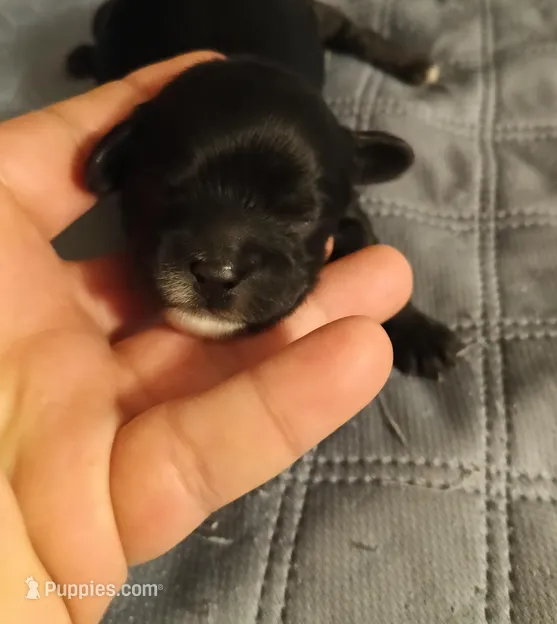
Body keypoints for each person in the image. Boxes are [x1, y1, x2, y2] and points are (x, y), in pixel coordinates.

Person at [0, 51, 413, 624]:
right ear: (118, 163)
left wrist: (407, 319)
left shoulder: (327, 167)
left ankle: (351, 35)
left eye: (294, 214)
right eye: (173, 194)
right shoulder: (156, 121)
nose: (219, 267)